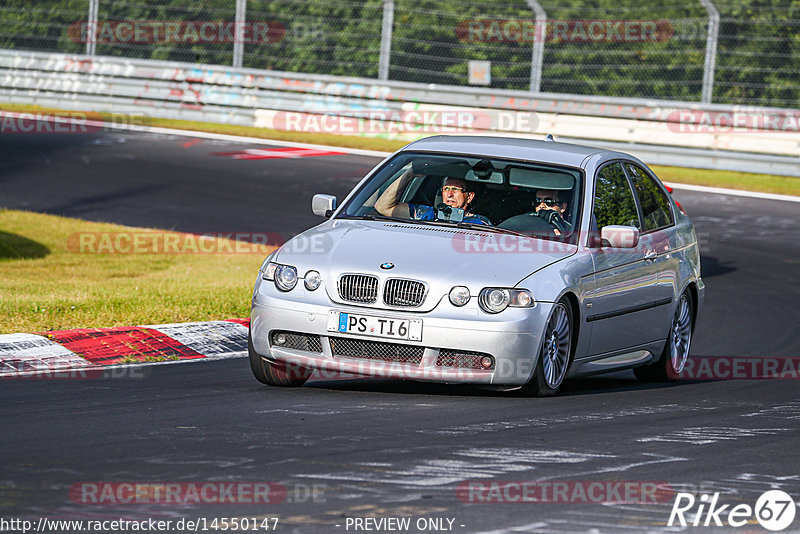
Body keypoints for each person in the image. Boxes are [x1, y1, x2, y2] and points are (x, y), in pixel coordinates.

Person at [375, 169, 490, 225]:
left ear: (469, 197)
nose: (449, 194)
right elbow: (382, 208)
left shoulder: (479, 223)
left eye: (455, 190)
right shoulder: (425, 213)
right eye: (446, 189)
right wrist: (409, 175)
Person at [499, 189, 572, 236]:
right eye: (538, 201)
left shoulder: (570, 231)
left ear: (563, 207)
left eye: (549, 202)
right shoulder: (525, 223)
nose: (542, 205)